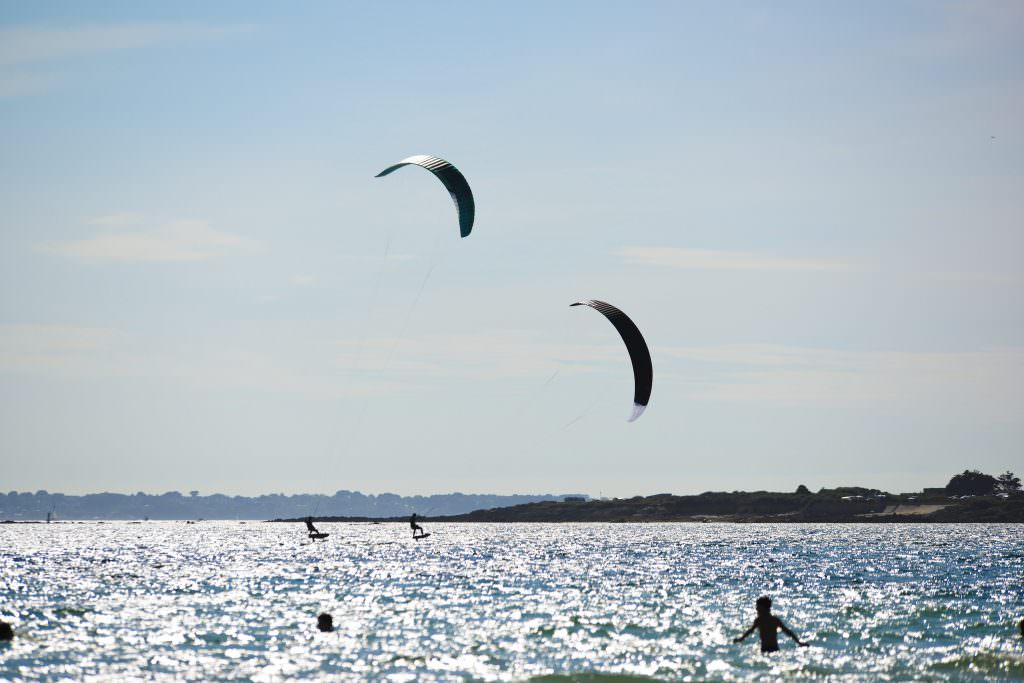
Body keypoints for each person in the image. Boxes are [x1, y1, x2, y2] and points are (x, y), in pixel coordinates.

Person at [733, 596, 808, 652]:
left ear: (765, 608)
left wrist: (799, 642)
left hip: (774, 648)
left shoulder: (774, 620)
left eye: (758, 607)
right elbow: (750, 631)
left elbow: (787, 631)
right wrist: (740, 639)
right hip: (764, 649)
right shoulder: (759, 620)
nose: (757, 609)